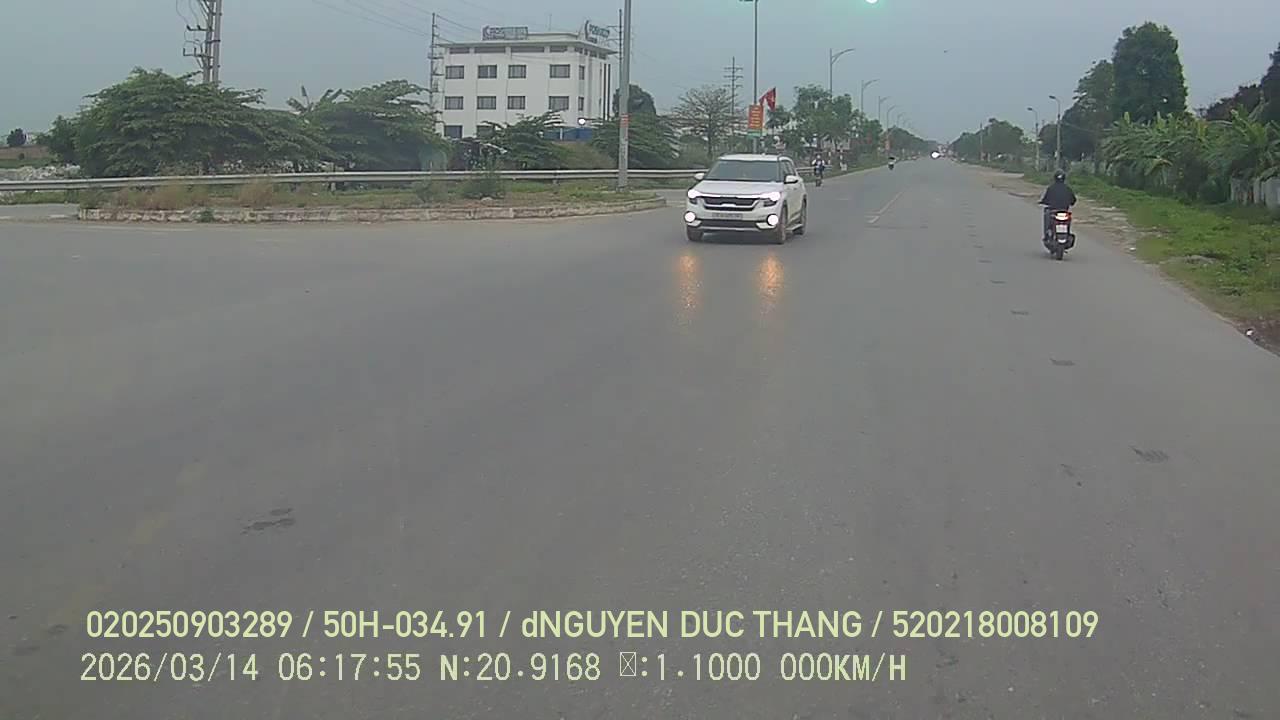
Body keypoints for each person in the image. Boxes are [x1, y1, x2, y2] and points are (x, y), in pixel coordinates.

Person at [1039, 169, 1078, 240]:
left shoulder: (1051, 188)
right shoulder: (1068, 188)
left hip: (1053, 211)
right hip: (1064, 211)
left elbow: (1045, 199)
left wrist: (1042, 202)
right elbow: (1073, 200)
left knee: (1046, 215)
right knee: (1068, 218)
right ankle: (1067, 233)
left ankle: (1047, 235)